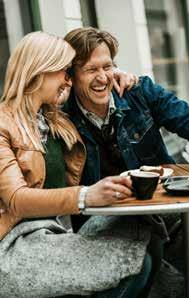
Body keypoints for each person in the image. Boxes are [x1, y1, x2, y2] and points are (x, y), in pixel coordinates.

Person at [64, 27, 189, 298]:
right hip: (110, 224)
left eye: (108, 66)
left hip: (166, 208)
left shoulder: (139, 92)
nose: (102, 78)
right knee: (161, 278)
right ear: (71, 75)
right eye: (90, 70)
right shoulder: (61, 117)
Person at [0, 31, 154, 298]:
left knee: (146, 229)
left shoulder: (55, 120)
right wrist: (85, 195)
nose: (68, 79)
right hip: (15, 244)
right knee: (132, 264)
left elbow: (94, 89)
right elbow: (15, 198)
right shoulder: (3, 124)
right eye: (63, 72)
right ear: (39, 72)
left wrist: (119, 75)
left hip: (54, 234)